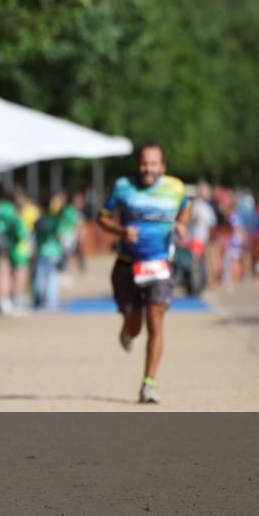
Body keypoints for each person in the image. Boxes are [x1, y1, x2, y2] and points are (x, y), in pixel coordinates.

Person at [97, 143, 190, 404]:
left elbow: (186, 206)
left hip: (159, 265)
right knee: (135, 326)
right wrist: (120, 232)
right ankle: (127, 332)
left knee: (155, 323)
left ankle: (148, 384)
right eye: (144, 164)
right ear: (138, 164)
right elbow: (101, 217)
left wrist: (182, 223)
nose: (148, 169)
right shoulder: (123, 186)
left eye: (153, 164)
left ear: (162, 167)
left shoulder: (175, 187)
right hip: (127, 264)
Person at [32, 194, 65, 311]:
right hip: (54, 252)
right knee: (52, 277)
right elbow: (59, 236)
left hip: (41, 251)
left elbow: (35, 236)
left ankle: (37, 302)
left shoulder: (38, 221)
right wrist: (63, 250)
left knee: (39, 277)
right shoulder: (54, 221)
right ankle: (51, 302)